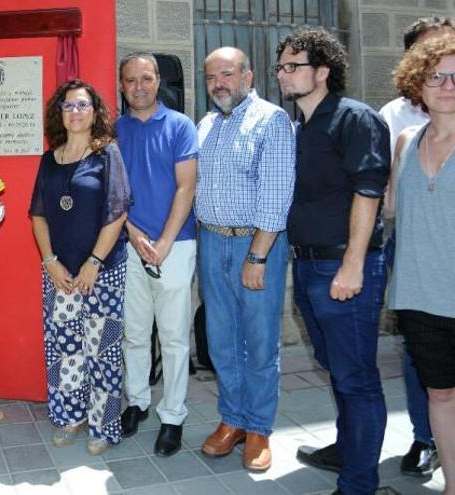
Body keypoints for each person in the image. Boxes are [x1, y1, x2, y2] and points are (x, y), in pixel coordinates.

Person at [278, 29, 391, 494]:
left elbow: (369, 192)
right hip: (308, 267)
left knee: (357, 377)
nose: (284, 74)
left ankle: (360, 483)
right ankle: (349, 448)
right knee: (335, 365)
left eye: (293, 65)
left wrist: (353, 265)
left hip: (343, 268)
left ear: (323, 71)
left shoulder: (355, 119)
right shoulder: (304, 125)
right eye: (281, 67)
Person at [194, 47, 295, 473]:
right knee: (220, 340)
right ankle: (232, 419)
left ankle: (258, 427)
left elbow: (276, 195)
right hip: (212, 242)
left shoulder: (271, 120)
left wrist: (257, 255)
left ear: (248, 76)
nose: (220, 82)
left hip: (256, 246)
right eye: (212, 76)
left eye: (228, 74)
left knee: (258, 341)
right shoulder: (206, 124)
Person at [29, 79, 130, 456]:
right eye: (68, 106)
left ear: (94, 112)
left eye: (82, 105)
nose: (75, 112)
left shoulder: (108, 154)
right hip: (60, 273)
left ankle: (102, 424)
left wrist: (94, 263)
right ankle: (70, 416)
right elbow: (38, 216)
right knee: (64, 347)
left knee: (101, 350)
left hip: (101, 270)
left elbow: (117, 212)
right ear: (60, 113)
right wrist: (50, 262)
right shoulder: (48, 159)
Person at [377, 16, 453, 478]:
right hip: (419, 296)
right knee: (440, 394)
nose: (445, 85)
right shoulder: (405, 141)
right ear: (416, 83)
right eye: (435, 75)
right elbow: (388, 209)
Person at [115, 52, 198, 457]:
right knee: (134, 331)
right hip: (130, 246)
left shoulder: (181, 126)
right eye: (130, 80)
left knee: (174, 337)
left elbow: (186, 187)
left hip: (176, 245)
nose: (139, 87)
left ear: (158, 80)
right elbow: (115, 193)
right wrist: (132, 233)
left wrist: (163, 241)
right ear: (122, 85)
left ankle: (173, 415)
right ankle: (137, 402)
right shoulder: (114, 131)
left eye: (146, 79)